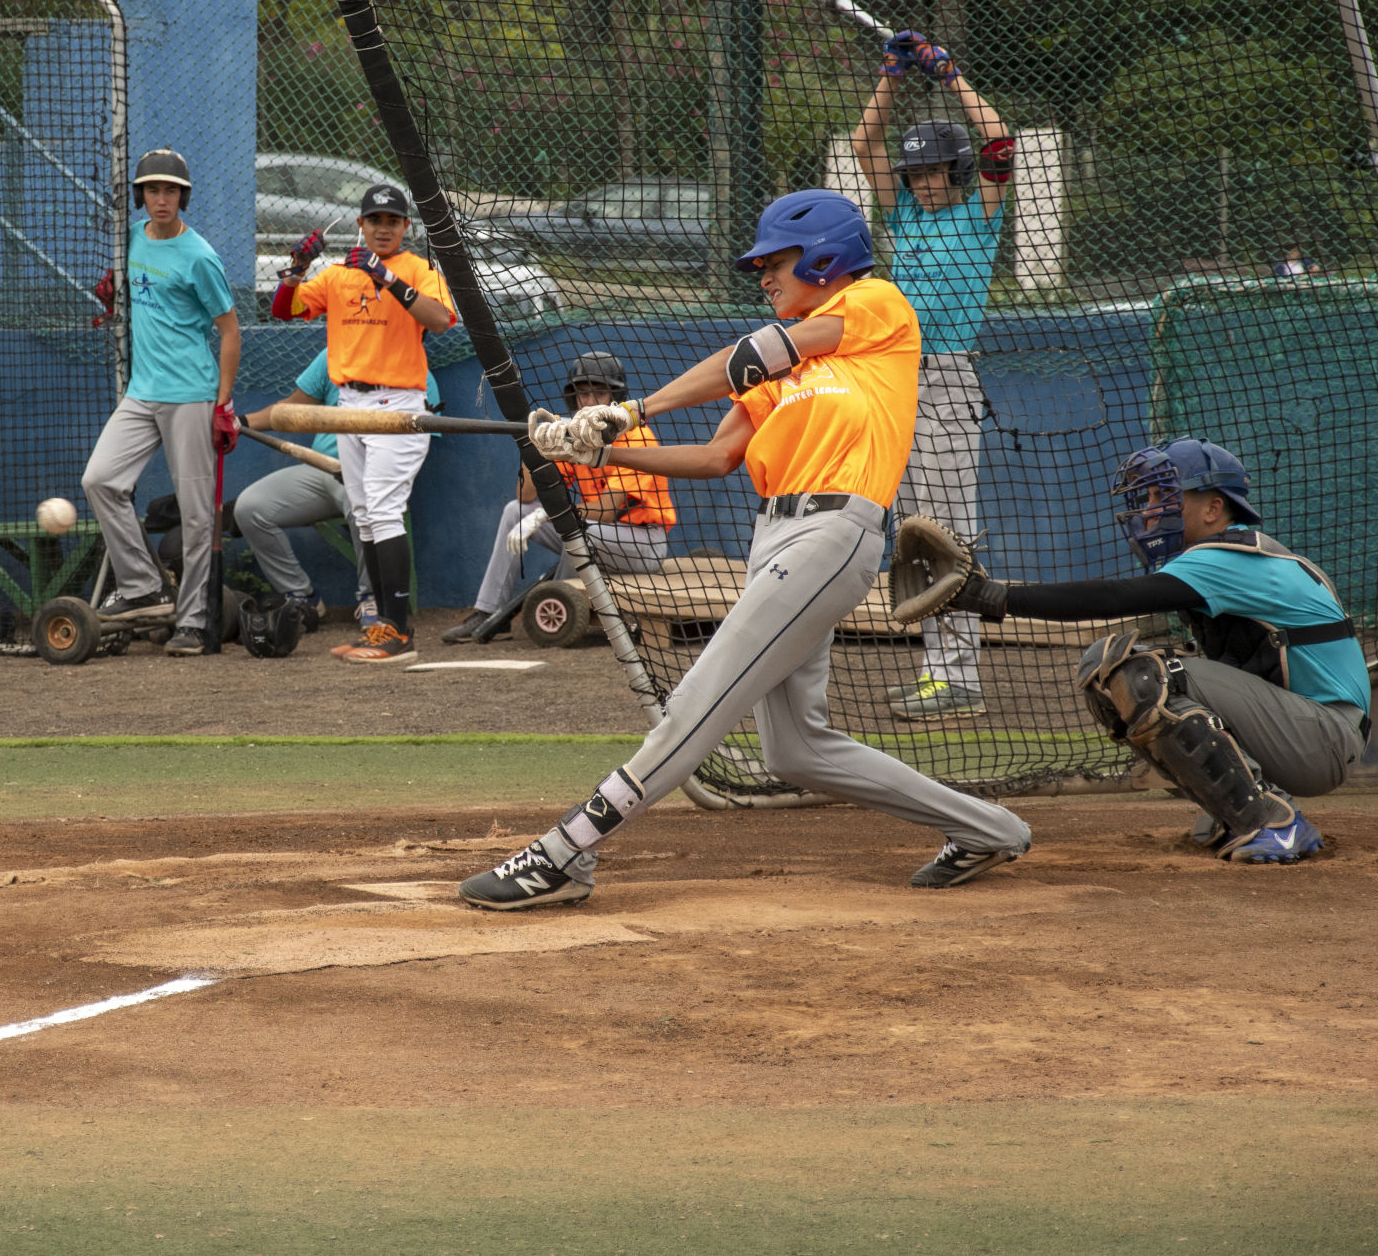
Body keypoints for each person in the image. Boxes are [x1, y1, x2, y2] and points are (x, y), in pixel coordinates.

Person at [456, 190, 1033, 911]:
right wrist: (606, 447)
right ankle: (990, 828)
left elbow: (750, 354)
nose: (762, 276)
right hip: (776, 538)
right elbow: (719, 454)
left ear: (826, 254)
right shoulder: (788, 368)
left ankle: (568, 851)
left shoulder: (877, 306)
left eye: (775, 261)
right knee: (797, 749)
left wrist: (631, 411)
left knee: (701, 698)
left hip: (833, 530)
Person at [900, 437, 1369, 863]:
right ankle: (1238, 803)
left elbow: (1113, 599)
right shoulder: (1229, 556)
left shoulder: (1229, 558)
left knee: (1132, 666)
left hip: (1322, 738)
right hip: (1306, 732)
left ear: (1212, 508)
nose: (1148, 511)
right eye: (1146, 497)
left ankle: (1272, 822)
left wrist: (994, 597)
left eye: (1162, 496)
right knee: (1103, 671)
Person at [851, 30, 1014, 722]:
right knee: (912, 527)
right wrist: (892, 75)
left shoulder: (980, 215)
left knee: (952, 525)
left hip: (947, 377)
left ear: (955, 170)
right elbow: (866, 147)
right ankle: (935, 668)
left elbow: (1002, 142)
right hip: (895, 376)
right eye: (917, 176)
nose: (923, 184)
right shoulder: (905, 214)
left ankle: (961, 674)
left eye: (934, 173)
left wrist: (950, 77)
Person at [271, 182, 457, 663]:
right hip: (349, 404)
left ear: (405, 228)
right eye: (374, 220)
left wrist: (387, 278)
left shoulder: (415, 268)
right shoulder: (339, 274)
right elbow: (283, 310)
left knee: (381, 510)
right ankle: (382, 627)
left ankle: (397, 631)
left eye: (392, 221)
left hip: (398, 404)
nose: (383, 228)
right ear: (360, 225)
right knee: (365, 516)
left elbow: (439, 319)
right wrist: (295, 269)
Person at [81, 147, 242, 656]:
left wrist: (223, 403)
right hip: (141, 392)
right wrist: (112, 295)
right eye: (152, 189)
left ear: (183, 196)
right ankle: (142, 587)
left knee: (197, 516)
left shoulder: (200, 256)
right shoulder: (127, 239)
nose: (161, 199)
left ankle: (192, 621)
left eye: (170, 190)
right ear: (141, 196)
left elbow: (231, 332)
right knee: (100, 480)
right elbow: (123, 297)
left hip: (191, 395)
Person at [441, 352, 674, 644]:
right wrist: (536, 447)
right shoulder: (574, 436)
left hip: (643, 544)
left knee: (579, 527)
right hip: (594, 532)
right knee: (516, 512)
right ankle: (488, 612)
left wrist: (547, 516)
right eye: (582, 394)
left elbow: (608, 511)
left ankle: (563, 604)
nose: (588, 402)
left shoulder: (638, 437)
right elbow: (524, 496)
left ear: (615, 397)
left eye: (598, 393)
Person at [236, 347, 440, 632]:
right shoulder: (334, 356)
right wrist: (239, 422)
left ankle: (373, 598)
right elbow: (293, 408)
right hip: (318, 469)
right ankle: (302, 597)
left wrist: (379, 478)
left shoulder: (416, 373)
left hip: (370, 476)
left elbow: (413, 446)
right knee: (249, 507)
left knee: (368, 506)